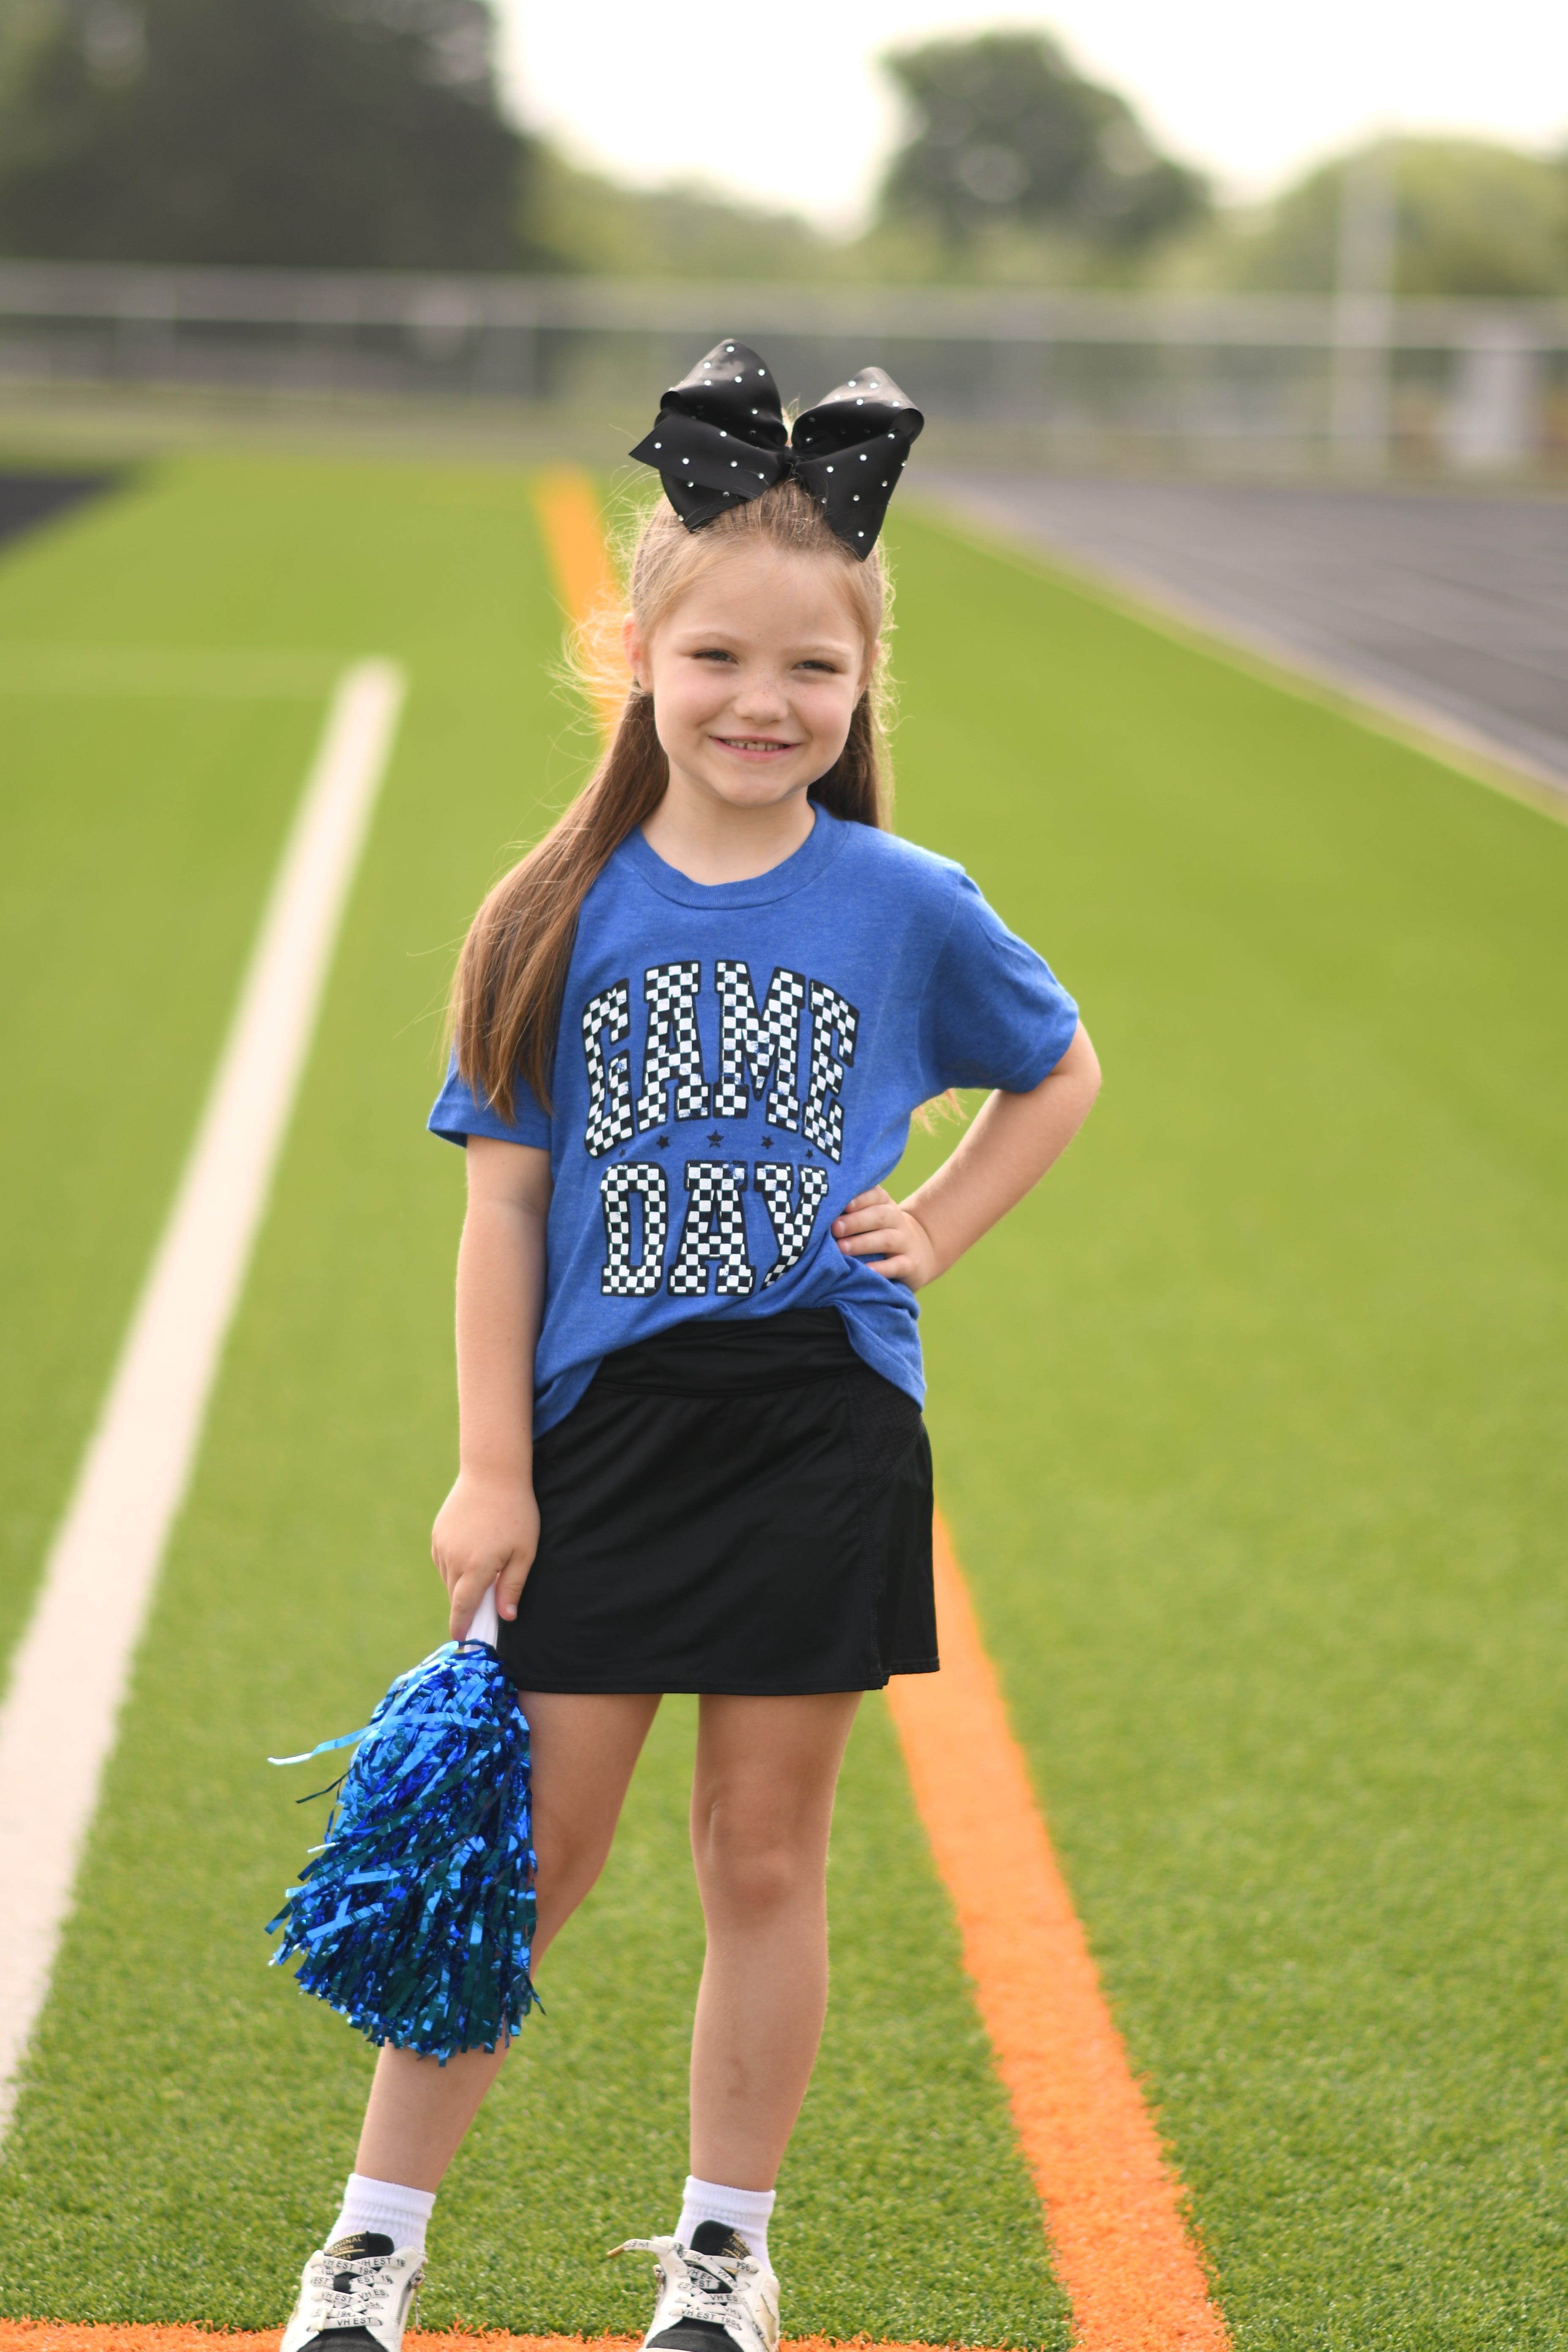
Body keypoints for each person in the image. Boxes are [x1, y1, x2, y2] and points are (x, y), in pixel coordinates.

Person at [280, 341, 1100, 2352]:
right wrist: (494, 1466)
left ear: (860, 690)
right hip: (605, 1440)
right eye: (720, 659)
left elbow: (1060, 1069)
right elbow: (501, 1210)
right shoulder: (551, 911)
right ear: (635, 657)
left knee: (763, 1851)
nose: (764, 704)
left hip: (819, 1425)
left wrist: (942, 1222)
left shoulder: (908, 903)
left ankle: (723, 2259)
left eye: (812, 674)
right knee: (524, 1863)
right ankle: (369, 2250)